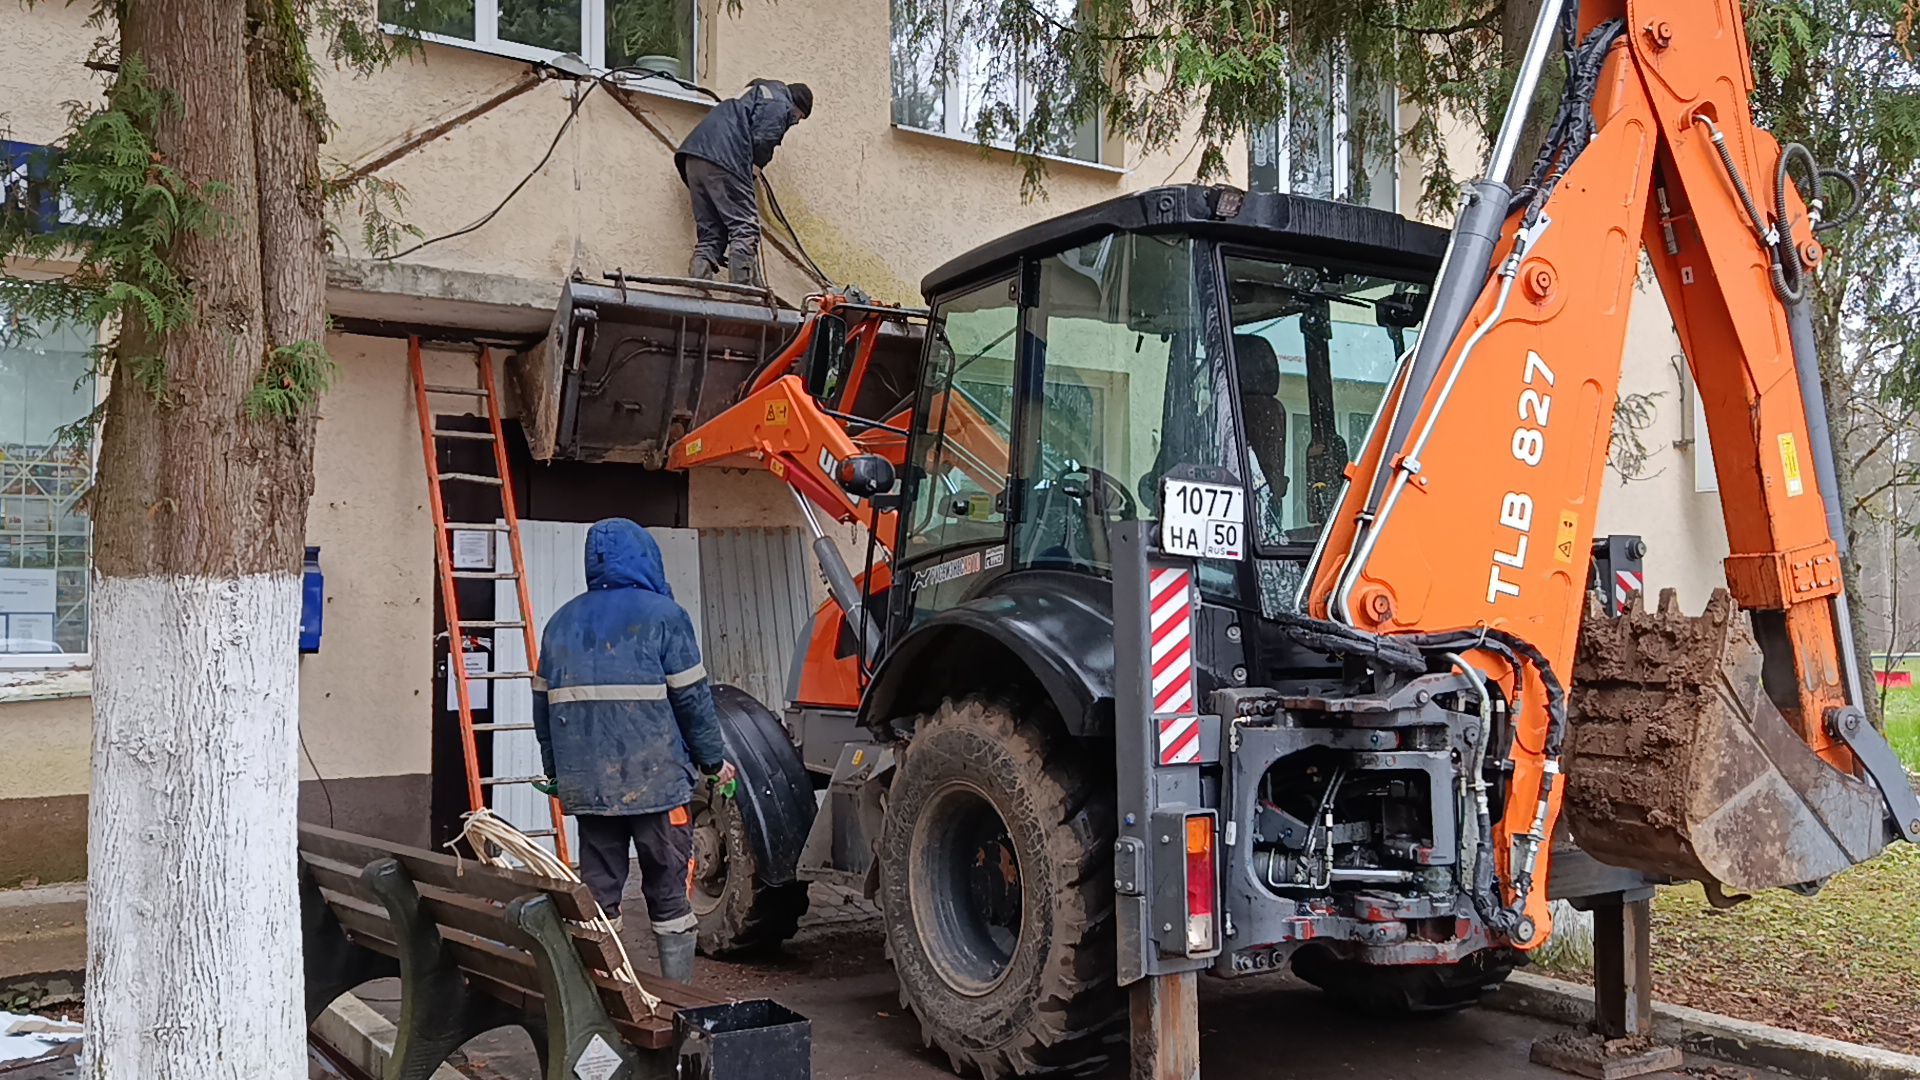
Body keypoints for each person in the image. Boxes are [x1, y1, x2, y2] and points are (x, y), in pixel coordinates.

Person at [530, 518, 737, 983]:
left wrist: (558, 774)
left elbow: (543, 711)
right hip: (657, 784)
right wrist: (712, 762)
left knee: (600, 891)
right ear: (646, 557)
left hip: (590, 786)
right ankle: (676, 994)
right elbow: (693, 701)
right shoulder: (665, 616)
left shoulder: (560, 623)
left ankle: (604, 992)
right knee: (668, 891)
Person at [674, 78, 813, 286]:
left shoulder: (757, 93)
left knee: (711, 234)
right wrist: (756, 166)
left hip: (694, 159)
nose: (796, 121)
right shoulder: (779, 101)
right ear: (798, 105)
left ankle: (698, 289)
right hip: (725, 159)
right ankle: (742, 293)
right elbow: (764, 137)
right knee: (745, 227)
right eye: (799, 117)